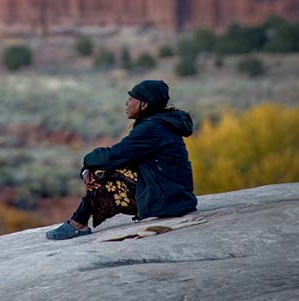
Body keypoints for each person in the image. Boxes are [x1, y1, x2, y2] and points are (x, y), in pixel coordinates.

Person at [46, 79, 197, 240]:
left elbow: (113, 156)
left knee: (102, 171)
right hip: (175, 196)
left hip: (170, 200)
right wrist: (86, 170)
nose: (127, 103)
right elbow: (122, 158)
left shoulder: (152, 128)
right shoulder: (158, 123)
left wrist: (87, 161)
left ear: (144, 105)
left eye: (131, 99)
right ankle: (78, 222)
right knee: (104, 168)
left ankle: (77, 224)